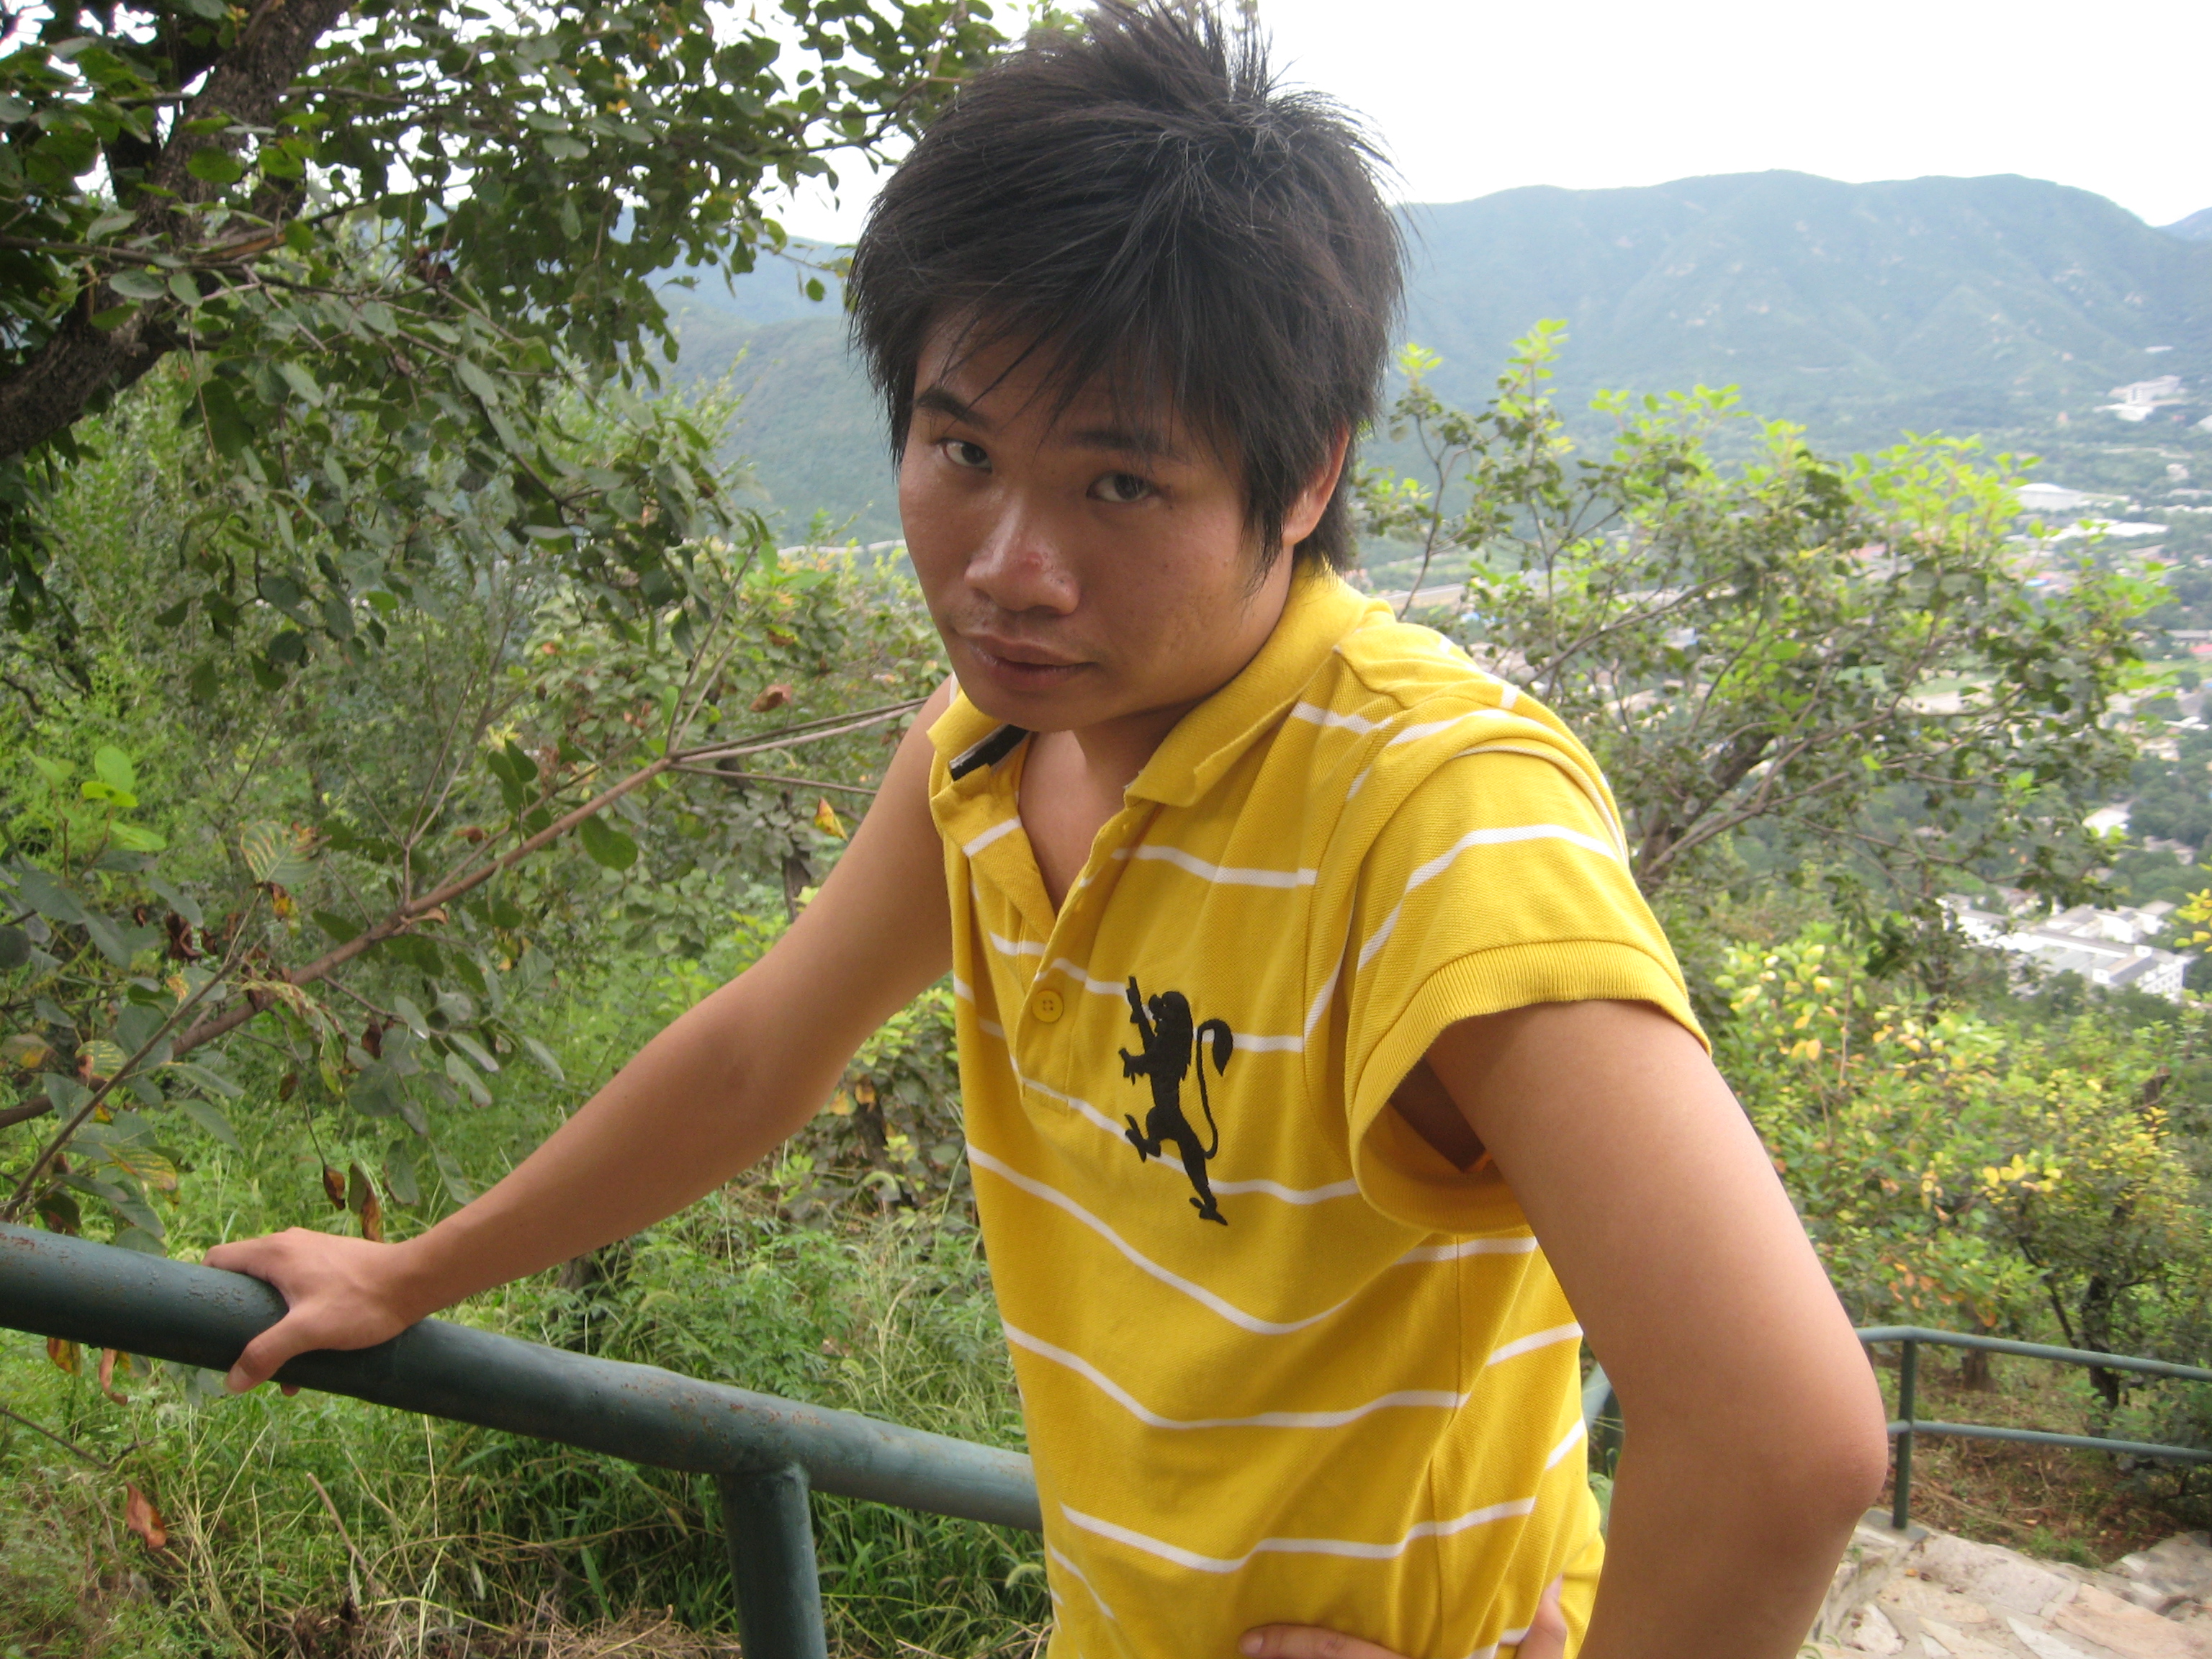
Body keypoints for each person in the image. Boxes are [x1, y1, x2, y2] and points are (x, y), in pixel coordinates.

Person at [206, 6, 1890, 1656]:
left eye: (1121, 484)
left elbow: (1784, 1440)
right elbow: (757, 1058)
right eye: (961, 449)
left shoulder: (1434, 813)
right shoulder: (989, 755)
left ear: (1305, 478)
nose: (1010, 567)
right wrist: (414, 1274)